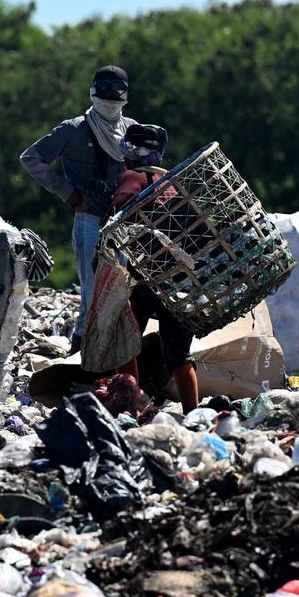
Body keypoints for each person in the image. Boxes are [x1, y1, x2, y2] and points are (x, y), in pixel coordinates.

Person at [20, 66, 136, 353]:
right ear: (93, 93)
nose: (109, 100)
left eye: (116, 93)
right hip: (89, 218)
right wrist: (69, 194)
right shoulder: (73, 129)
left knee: (120, 290)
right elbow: (31, 158)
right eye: (105, 92)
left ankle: (112, 355)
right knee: (92, 291)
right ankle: (81, 351)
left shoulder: (132, 129)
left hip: (122, 222)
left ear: (125, 97)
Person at [111, 124, 200, 412]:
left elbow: (119, 210)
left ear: (129, 155)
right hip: (179, 280)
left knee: (126, 342)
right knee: (179, 356)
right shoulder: (172, 183)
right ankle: (193, 414)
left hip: (144, 279)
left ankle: (131, 406)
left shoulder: (132, 177)